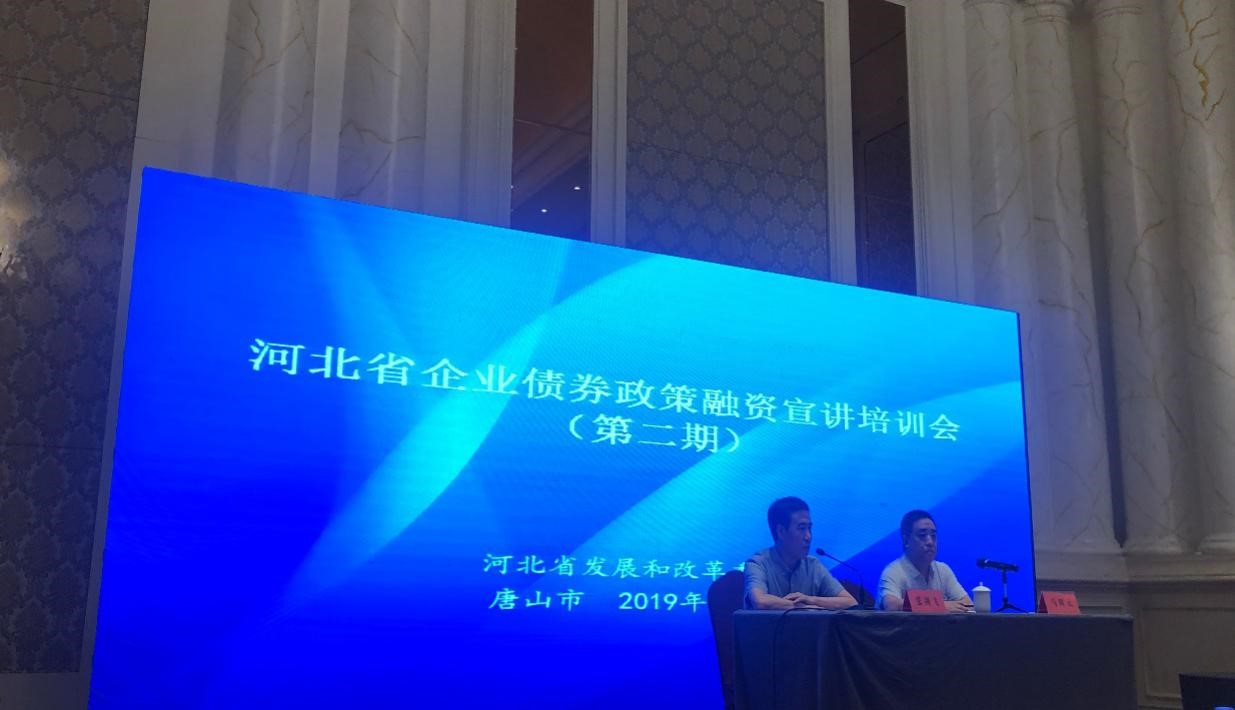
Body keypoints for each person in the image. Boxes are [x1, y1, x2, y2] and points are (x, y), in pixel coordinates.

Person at [743, 496, 858, 610]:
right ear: (781, 531)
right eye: (801, 528)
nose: (808, 536)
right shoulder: (758, 563)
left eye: (809, 528)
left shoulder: (813, 565)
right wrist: (806, 607)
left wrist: (811, 600)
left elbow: (850, 602)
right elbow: (760, 602)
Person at [878, 509, 972, 612]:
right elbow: (891, 605)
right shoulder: (894, 571)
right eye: (922, 535)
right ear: (906, 541)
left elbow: (968, 605)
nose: (930, 542)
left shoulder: (943, 570)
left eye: (933, 536)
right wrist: (941, 605)